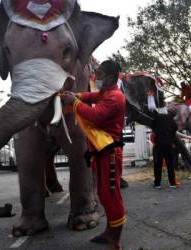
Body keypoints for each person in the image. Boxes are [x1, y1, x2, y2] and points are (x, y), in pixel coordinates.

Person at [61, 60, 126, 250]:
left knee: (111, 195)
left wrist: (74, 103)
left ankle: (116, 240)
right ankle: (109, 232)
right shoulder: (106, 92)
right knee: (103, 193)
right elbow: (93, 95)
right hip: (100, 151)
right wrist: (77, 95)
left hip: (110, 152)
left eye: (101, 74)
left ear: (112, 77)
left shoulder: (115, 97)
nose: (96, 77)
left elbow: (95, 115)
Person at [150, 108, 178, 189]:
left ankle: (157, 184)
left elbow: (152, 126)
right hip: (169, 145)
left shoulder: (157, 117)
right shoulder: (171, 120)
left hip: (158, 145)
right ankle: (172, 183)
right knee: (170, 164)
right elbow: (175, 128)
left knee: (157, 165)